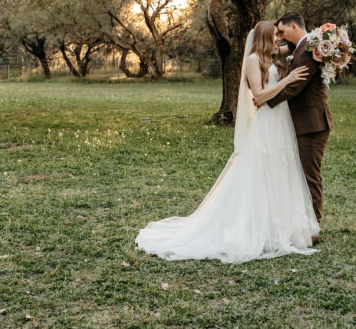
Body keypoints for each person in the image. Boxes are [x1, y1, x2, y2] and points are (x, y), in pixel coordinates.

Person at [135, 21, 319, 263]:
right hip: (267, 123)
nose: (280, 39)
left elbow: (301, 48)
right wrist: (288, 79)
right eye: (276, 35)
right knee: (261, 173)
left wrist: (325, 43)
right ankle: (257, 227)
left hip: (281, 122)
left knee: (280, 170)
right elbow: (260, 96)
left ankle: (280, 226)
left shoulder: (273, 55)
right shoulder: (253, 60)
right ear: (264, 36)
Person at [267, 12, 332, 240]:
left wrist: (265, 101)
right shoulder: (302, 48)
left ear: (294, 26)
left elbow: (295, 88)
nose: (281, 37)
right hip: (304, 121)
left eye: (282, 31)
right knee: (302, 174)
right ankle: (305, 221)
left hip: (312, 123)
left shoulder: (308, 49)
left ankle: (313, 227)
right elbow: (283, 56)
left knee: (309, 175)